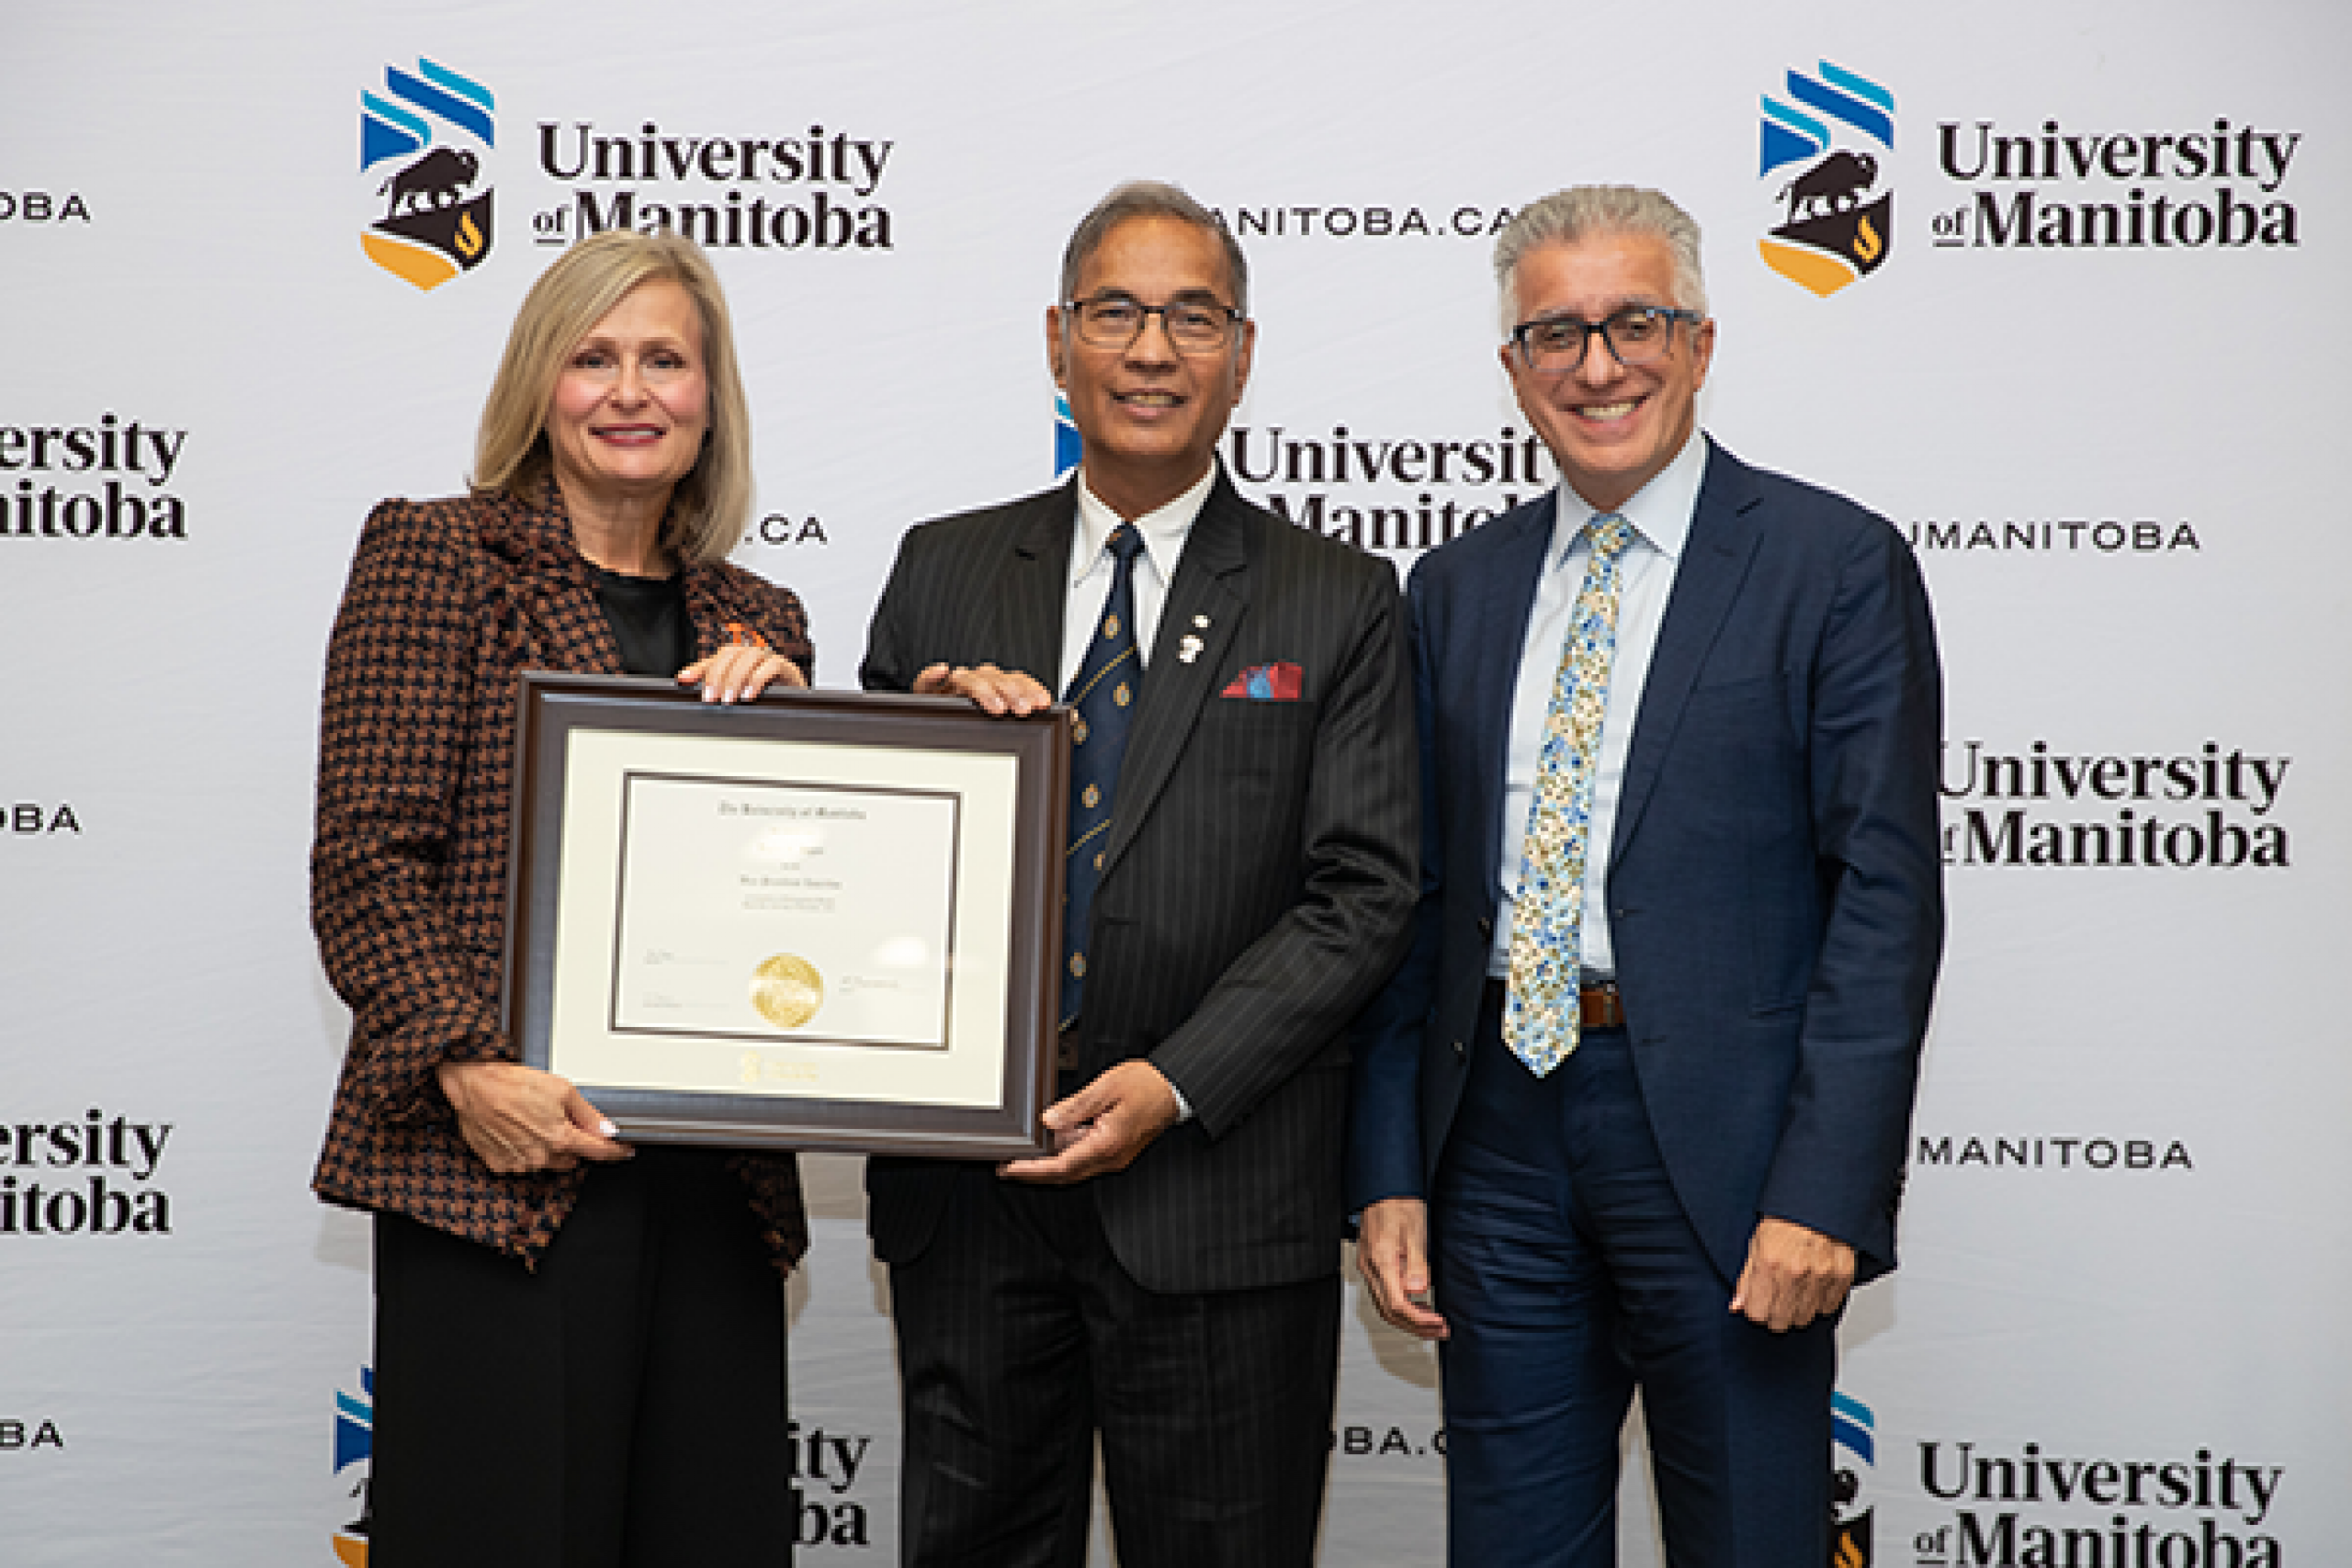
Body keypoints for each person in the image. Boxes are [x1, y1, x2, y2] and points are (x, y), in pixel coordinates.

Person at [1348, 186, 1943, 1566]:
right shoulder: (1453, 586)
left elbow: (1884, 900)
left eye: (1636, 322)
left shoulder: (1832, 565)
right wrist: (1388, 1169)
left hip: (1735, 1158)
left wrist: (1824, 1188)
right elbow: (1413, 898)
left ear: (1703, 336)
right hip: (1494, 1135)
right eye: (1556, 333)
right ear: (1512, 368)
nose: (1599, 364)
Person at [859, 180, 1419, 1568]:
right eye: (1116, 312)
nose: (1152, 349)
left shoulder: (1337, 595)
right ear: (1057, 342)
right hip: (970, 1208)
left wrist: (1171, 1084)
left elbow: (1363, 889)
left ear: (1242, 352)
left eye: (1192, 316)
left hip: (1221, 1201)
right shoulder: (941, 567)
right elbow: (862, 863)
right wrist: (920, 740)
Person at [311, 228, 812, 1568]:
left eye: (665, 358)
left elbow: (795, 895)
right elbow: (365, 860)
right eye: (594, 357)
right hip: (502, 1180)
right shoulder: (437, 559)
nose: (631, 390)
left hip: (713, 1194)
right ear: (541, 380)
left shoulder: (762, 622)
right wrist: (472, 1069)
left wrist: (805, 736)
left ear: (711, 397)